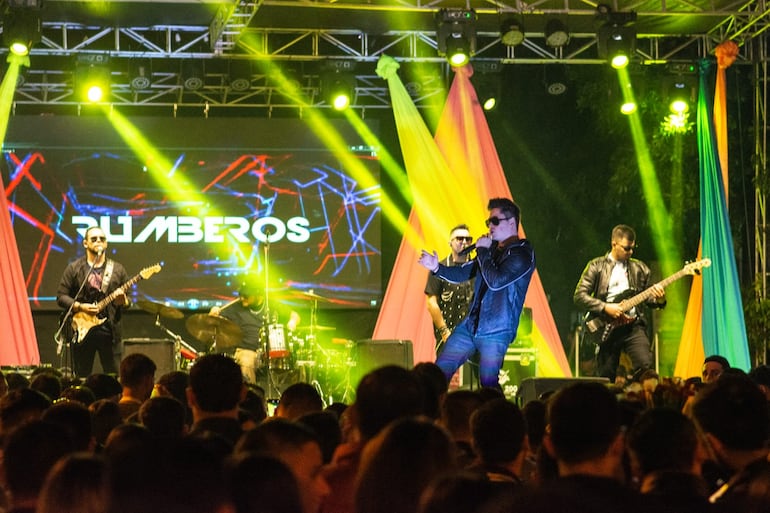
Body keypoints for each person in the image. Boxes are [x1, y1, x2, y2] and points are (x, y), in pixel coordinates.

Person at [418, 198, 535, 389]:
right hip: (471, 325)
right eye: (488, 222)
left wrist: (482, 251)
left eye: (495, 221)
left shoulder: (522, 254)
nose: (490, 226)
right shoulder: (492, 251)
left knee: (488, 383)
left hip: (496, 330)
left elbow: (496, 281)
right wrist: (437, 268)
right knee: (438, 374)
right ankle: (432, 412)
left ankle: (498, 418)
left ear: (512, 222)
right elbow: (464, 271)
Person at [573, 224, 666, 381]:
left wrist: (659, 299)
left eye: (632, 248)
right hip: (607, 326)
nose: (630, 252)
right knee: (606, 375)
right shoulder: (596, 266)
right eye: (626, 248)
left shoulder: (640, 268)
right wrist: (605, 307)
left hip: (633, 326)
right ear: (614, 244)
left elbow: (649, 299)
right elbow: (579, 296)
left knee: (646, 369)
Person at [57, 226, 131, 377]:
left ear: (106, 244)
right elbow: (61, 296)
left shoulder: (118, 270)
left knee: (113, 375)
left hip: (110, 332)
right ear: (85, 243)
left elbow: (128, 304)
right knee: (81, 375)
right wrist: (80, 306)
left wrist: (123, 301)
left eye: (102, 239)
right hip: (82, 330)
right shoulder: (74, 268)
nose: (98, 241)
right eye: (94, 239)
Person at [209, 280, 299, 385]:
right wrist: (214, 311)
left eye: (246, 295)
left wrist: (292, 323)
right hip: (245, 351)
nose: (242, 298)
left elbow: (294, 315)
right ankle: (251, 396)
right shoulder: (235, 308)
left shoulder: (272, 305)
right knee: (247, 361)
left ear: (258, 295)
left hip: (270, 353)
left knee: (297, 364)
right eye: (240, 295)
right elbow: (214, 319)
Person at [424, 224, 475, 353]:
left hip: (475, 337)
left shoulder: (480, 269)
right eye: (459, 239)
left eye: (468, 239)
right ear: (450, 243)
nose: (464, 242)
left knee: (478, 373)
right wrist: (444, 331)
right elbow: (431, 303)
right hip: (448, 336)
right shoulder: (439, 268)